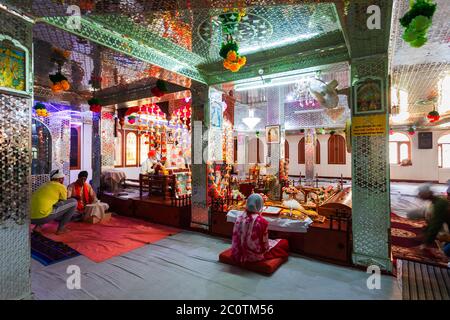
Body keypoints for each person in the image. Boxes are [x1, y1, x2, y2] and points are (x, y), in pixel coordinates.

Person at [231, 193, 289, 264]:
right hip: (254, 256)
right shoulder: (261, 221)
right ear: (260, 205)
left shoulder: (239, 217)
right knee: (284, 242)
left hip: (237, 252)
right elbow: (265, 245)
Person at [31, 169, 77, 234]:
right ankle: (61, 228)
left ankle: (37, 227)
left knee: (46, 206)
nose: (63, 180)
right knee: (74, 202)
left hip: (30, 218)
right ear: (60, 179)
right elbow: (63, 202)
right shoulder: (61, 187)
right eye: (63, 178)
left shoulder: (43, 185)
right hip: (43, 217)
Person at [417, 184, 450, 250]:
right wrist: (425, 232)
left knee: (445, 253)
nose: (419, 195)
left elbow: (436, 224)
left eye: (420, 193)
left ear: (427, 193)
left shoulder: (439, 204)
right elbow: (433, 221)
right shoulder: (436, 202)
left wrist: (426, 243)